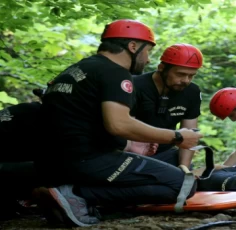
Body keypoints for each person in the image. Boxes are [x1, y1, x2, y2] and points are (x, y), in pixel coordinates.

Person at [35, 19, 203, 227]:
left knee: (168, 169)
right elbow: (119, 125)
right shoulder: (115, 72)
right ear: (133, 47)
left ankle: (70, 191)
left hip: (51, 160)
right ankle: (77, 195)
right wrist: (176, 136)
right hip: (87, 158)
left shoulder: (77, 69)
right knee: (182, 184)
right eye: (147, 51)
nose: (148, 59)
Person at [129, 43, 203, 167]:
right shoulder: (134, 86)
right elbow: (123, 126)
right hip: (131, 153)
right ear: (161, 68)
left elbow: (190, 133)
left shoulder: (192, 92)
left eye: (191, 76)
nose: (186, 80)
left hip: (166, 153)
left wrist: (184, 168)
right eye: (180, 74)